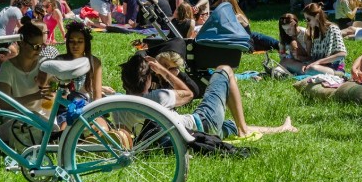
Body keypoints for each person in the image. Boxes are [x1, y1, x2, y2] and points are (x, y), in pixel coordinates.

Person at [120, 54, 297, 139]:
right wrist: (164, 71)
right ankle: (243, 131)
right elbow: (189, 93)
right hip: (200, 125)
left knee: (229, 124)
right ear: (148, 78)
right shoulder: (156, 98)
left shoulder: (117, 107)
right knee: (225, 69)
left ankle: (281, 129)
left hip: (185, 135)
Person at [0, 18, 53, 115]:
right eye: (36, 46)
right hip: (18, 119)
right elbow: (4, 104)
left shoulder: (44, 63)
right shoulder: (8, 67)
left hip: (44, 119)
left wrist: (49, 85)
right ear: (21, 43)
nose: (39, 50)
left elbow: (58, 88)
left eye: (41, 46)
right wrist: (35, 96)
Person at [282, 3, 346, 75]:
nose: (307, 22)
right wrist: (302, 60)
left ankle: (290, 72)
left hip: (334, 68)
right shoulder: (316, 32)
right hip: (318, 66)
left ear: (317, 16)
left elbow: (342, 54)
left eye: (308, 19)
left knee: (312, 69)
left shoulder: (333, 28)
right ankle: (280, 72)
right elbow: (313, 58)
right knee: (285, 61)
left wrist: (317, 62)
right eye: (306, 20)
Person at [56, 21, 104, 100]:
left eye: (80, 41)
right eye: (72, 41)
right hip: (62, 103)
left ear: (86, 43)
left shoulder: (94, 63)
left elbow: (97, 94)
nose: (75, 45)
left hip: (86, 104)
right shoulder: (60, 60)